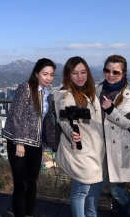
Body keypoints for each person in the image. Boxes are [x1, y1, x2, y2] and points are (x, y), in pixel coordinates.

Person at [2, 58, 56, 217]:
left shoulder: (47, 94)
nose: (48, 78)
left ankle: (29, 214)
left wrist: (52, 144)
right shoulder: (25, 88)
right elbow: (15, 116)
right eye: (45, 74)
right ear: (36, 73)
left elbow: (47, 121)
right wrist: (19, 143)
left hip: (36, 144)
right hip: (19, 144)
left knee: (32, 183)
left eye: (51, 75)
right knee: (21, 185)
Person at [54, 56, 105, 217]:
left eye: (83, 72)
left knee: (94, 190)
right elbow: (64, 118)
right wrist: (71, 133)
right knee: (81, 191)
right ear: (68, 75)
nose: (80, 76)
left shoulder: (91, 92)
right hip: (81, 151)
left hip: (97, 150)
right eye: (75, 73)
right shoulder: (65, 95)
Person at [99, 55, 130, 217]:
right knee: (101, 187)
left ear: (123, 74)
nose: (111, 74)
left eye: (116, 72)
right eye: (107, 70)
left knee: (116, 191)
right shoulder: (97, 89)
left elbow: (127, 123)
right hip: (100, 147)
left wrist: (110, 111)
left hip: (119, 149)